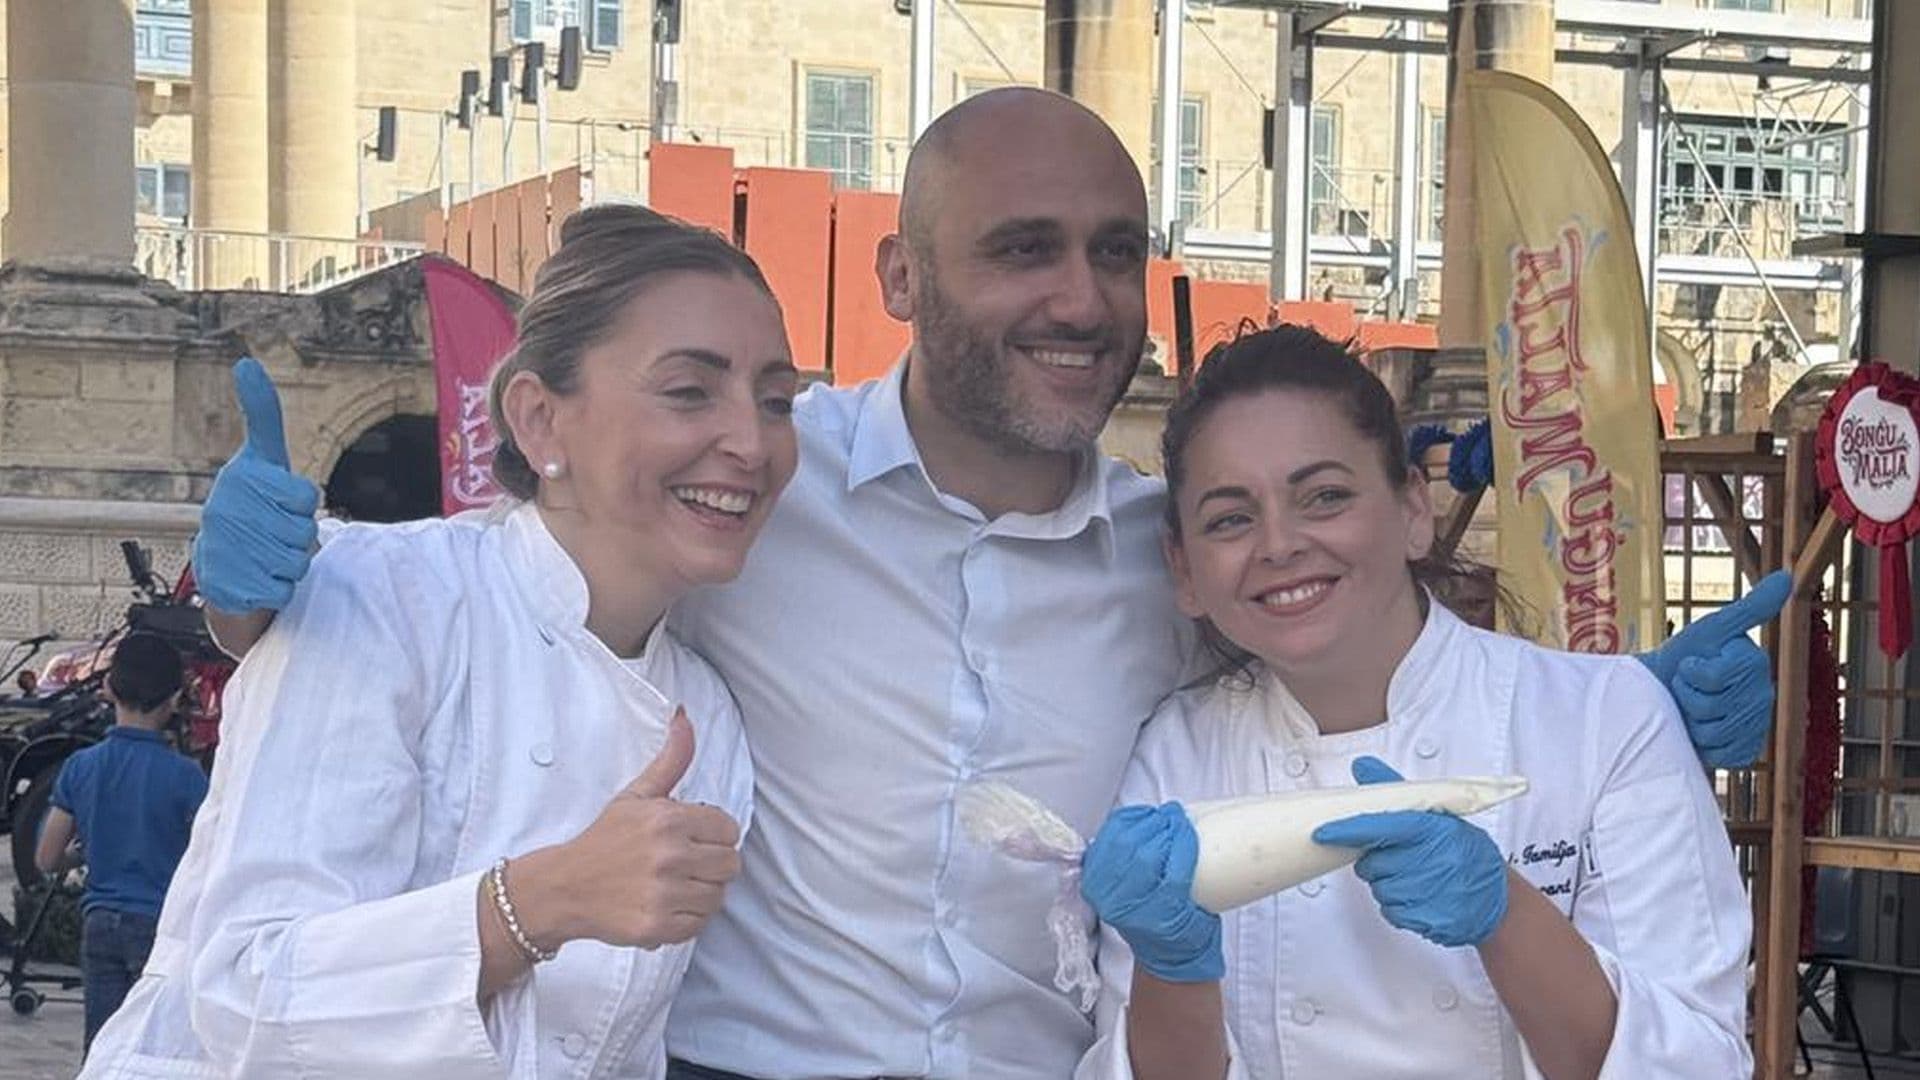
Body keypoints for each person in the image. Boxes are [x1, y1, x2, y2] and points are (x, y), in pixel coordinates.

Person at [192, 89, 1780, 1079]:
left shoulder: (1172, 556)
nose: (1080, 299)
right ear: (902, 277)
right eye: (1023, 249)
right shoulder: (755, 488)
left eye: (1114, 251)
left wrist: (1598, 709)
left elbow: (1333, 632)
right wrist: (258, 601)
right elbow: (524, 585)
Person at [80, 205, 797, 1078]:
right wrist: (538, 903)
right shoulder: (386, 598)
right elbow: (246, 997)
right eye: (689, 390)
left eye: (777, 401)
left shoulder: (709, 723)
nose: (751, 442)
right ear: (539, 420)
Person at [1075, 325, 1750, 1079]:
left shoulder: (1605, 722)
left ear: (1413, 511)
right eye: (1231, 519)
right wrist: (1171, 967)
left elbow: (1697, 1063)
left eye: (1325, 497)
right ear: (1184, 570)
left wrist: (1507, 915)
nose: (1279, 544)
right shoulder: (1172, 757)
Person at [35, 633, 209, 1053]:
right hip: (160, 929)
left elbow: (47, 858)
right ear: (174, 699)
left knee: (102, 1047)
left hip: (100, 924)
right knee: (155, 1048)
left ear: (110, 688)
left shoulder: (81, 767)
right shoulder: (187, 777)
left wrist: (80, 854)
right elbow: (207, 855)